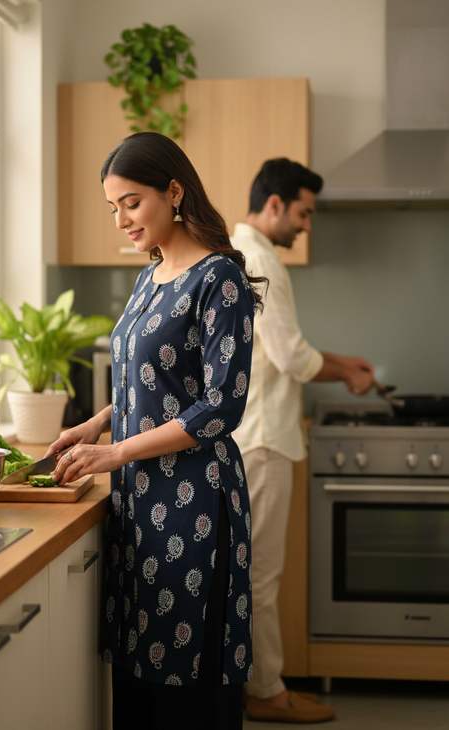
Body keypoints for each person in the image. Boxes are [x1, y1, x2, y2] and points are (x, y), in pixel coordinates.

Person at [46, 132, 267, 730]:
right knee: (141, 672)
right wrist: (88, 427)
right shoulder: (150, 277)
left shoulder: (217, 279)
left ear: (174, 192)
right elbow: (145, 387)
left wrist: (114, 451)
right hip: (138, 499)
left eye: (132, 203)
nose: (120, 219)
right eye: (113, 207)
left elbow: (221, 407)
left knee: (188, 676)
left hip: (195, 498)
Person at [231, 158, 375, 724]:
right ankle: (266, 693)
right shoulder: (259, 258)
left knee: (256, 574)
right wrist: (346, 375)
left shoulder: (248, 254)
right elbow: (291, 356)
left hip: (263, 435)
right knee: (260, 576)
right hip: (262, 440)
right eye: (303, 212)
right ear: (274, 205)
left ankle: (263, 684)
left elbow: (282, 345)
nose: (306, 225)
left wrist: (345, 362)